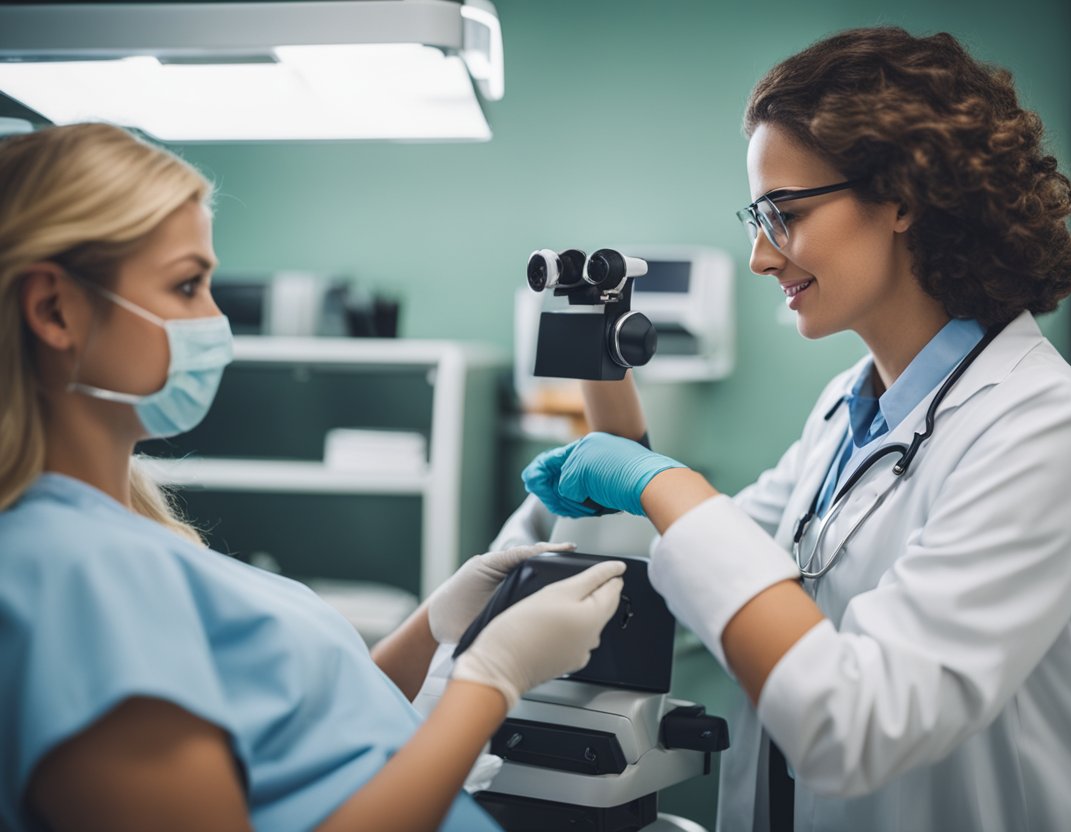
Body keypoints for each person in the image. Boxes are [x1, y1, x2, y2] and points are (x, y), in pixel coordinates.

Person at [519, 27, 1071, 831]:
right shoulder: (846, 407)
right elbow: (702, 575)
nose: (761, 256)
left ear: (903, 197)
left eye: (782, 214)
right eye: (757, 217)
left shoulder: (1046, 430)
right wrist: (610, 404)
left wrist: (664, 485)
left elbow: (859, 724)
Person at [0, 122, 627, 832]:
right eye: (185, 285)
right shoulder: (69, 575)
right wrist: (492, 680)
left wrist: (435, 626)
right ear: (54, 310)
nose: (218, 323)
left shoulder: (123, 533)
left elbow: (312, 745)